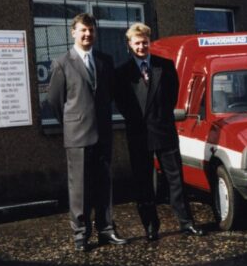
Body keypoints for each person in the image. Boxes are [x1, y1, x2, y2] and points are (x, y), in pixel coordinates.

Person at [114, 23, 203, 241]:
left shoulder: (165, 66)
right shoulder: (122, 73)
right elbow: (122, 104)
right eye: (137, 43)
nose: (141, 46)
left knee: (175, 180)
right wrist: (139, 120)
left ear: (149, 43)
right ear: (129, 45)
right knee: (143, 182)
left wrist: (160, 117)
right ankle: (151, 227)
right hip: (139, 134)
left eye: (145, 42)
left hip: (163, 129)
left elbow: (172, 96)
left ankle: (186, 223)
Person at [48, 13, 127, 251]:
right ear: (73, 32)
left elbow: (109, 94)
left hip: (102, 133)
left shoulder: (105, 61)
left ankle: (106, 229)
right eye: (83, 30)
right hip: (77, 134)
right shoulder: (62, 63)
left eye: (91, 30)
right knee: (80, 187)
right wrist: (72, 124)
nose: (87, 34)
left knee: (104, 183)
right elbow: (54, 101)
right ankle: (81, 234)